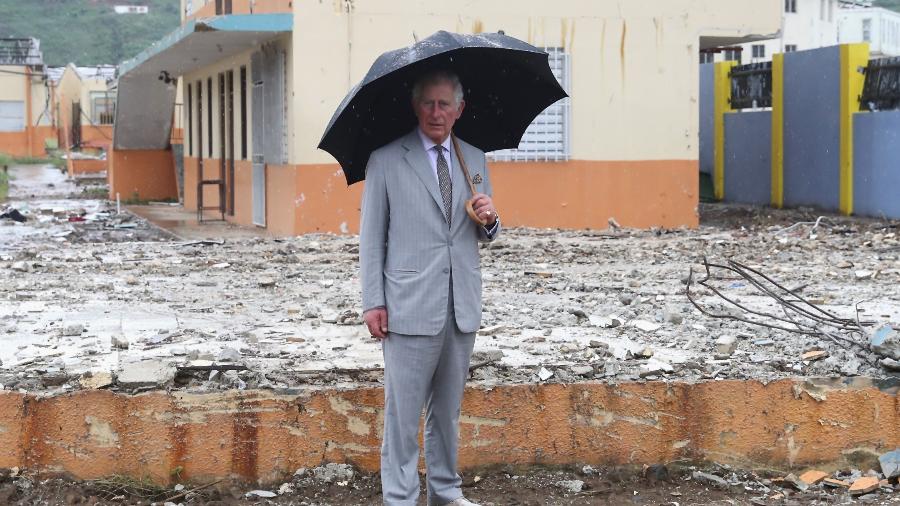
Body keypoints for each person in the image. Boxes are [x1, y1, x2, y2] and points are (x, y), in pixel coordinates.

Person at [359, 70, 500, 506]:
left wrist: (490, 218)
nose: (436, 113)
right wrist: (373, 302)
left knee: (447, 412)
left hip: (460, 304)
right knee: (402, 415)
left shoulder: (473, 158)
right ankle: (400, 498)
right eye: (428, 104)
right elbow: (371, 237)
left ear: (460, 110)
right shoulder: (386, 159)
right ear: (416, 107)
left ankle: (445, 491)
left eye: (445, 105)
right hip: (407, 305)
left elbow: (483, 231)